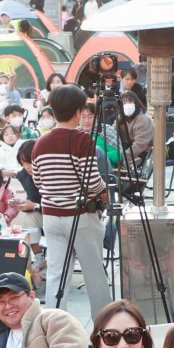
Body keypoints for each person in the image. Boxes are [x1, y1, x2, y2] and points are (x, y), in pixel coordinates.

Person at [30, 85, 110, 317]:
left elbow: (38, 181)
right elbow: (92, 182)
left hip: (51, 216)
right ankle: (104, 326)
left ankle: (54, 324)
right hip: (80, 215)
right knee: (94, 274)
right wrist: (103, 190)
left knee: (57, 274)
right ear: (77, 111)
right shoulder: (82, 140)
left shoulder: (40, 143)